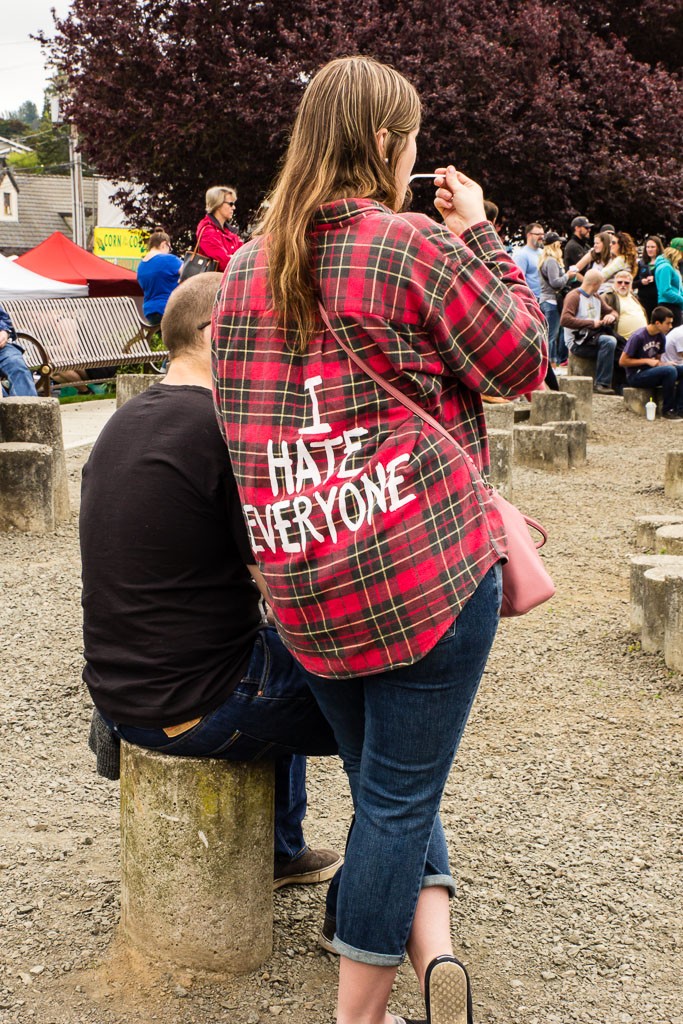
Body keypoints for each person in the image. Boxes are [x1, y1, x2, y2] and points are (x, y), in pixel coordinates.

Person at [213, 55, 547, 1024]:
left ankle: (429, 945)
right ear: (385, 146)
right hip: (421, 578)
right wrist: (477, 231)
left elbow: (242, 435)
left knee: (385, 784)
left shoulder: (241, 269)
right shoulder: (408, 247)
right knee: (396, 803)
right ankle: (356, 1014)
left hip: (306, 578)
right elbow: (522, 360)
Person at [79, 272, 342, 889]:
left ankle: (280, 848)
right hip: (196, 702)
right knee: (388, 698)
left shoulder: (126, 420)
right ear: (218, 332)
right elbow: (285, 593)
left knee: (272, 652)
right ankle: (370, 907)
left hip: (124, 682)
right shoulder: (224, 430)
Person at [560, 268, 619, 393]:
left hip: (593, 338)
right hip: (578, 342)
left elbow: (612, 311)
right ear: (595, 284)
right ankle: (602, 384)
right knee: (609, 342)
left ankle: (619, 385)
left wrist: (611, 316)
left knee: (620, 347)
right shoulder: (574, 297)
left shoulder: (596, 297)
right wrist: (591, 323)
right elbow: (565, 320)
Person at [619, 306, 683, 419]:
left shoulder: (661, 337)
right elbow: (622, 361)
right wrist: (646, 361)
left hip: (651, 372)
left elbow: (658, 360)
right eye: (668, 323)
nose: (670, 326)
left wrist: (664, 364)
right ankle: (667, 410)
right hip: (636, 375)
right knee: (670, 371)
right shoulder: (638, 336)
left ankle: (680, 408)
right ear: (658, 323)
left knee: (677, 369)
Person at [602, 271, 647, 395]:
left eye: (626, 283)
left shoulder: (634, 297)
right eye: (620, 282)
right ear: (614, 283)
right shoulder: (608, 296)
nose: (623, 285)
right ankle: (621, 386)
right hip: (621, 340)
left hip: (641, 341)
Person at [538, 230, 575, 366]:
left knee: (550, 334)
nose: (560, 244)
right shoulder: (552, 261)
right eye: (558, 242)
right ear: (554, 245)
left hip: (546, 300)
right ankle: (551, 363)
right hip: (551, 301)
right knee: (552, 335)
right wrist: (568, 276)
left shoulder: (545, 260)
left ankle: (551, 362)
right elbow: (555, 282)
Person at [136, 228, 182, 324]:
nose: (169, 252)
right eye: (169, 248)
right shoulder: (168, 259)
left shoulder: (141, 266)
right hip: (169, 310)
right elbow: (190, 273)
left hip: (150, 313)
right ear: (164, 244)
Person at [195, 186, 243, 271]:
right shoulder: (207, 231)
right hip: (212, 282)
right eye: (230, 204)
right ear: (218, 204)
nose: (234, 208)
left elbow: (243, 254)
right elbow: (224, 263)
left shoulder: (230, 233)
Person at [0, 303, 38, 397]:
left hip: (2, 348)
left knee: (16, 364)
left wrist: (4, 331)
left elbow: (3, 318)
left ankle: (27, 408)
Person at [653, 243, 683, 327]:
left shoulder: (670, 266)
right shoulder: (666, 267)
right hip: (669, 306)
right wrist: (681, 299)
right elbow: (665, 291)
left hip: (674, 305)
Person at [513, 222, 544, 299]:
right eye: (538, 234)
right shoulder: (521, 255)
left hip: (545, 299)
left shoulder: (543, 252)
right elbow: (519, 280)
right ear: (529, 235)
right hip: (533, 299)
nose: (542, 237)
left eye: (543, 234)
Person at [635, 235, 664, 319]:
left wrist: (655, 279)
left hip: (658, 300)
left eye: (652, 247)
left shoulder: (663, 263)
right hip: (644, 300)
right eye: (647, 247)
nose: (650, 249)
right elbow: (633, 283)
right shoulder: (641, 264)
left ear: (658, 248)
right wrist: (641, 282)